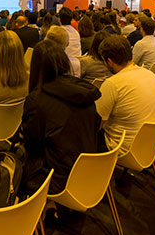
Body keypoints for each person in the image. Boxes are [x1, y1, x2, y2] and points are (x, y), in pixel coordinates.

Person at [21, 39, 102, 195]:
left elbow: (32, 145)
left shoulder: (37, 100)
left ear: (36, 67)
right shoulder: (83, 91)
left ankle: (45, 205)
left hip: (57, 178)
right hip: (92, 171)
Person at [97, 35, 155, 153]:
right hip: (152, 145)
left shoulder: (113, 84)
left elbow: (97, 124)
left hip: (122, 149)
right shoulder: (150, 74)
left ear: (109, 61)